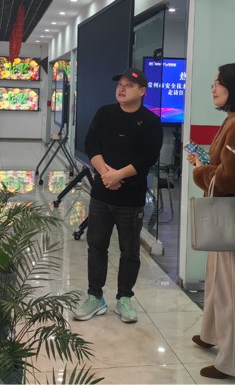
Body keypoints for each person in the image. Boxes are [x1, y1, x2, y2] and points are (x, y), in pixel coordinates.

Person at [187, 62, 235, 380]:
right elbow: (223, 166)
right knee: (218, 280)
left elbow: (229, 179)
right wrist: (206, 164)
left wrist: (199, 171)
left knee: (233, 290)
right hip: (224, 212)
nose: (214, 88)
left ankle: (233, 363)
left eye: (219, 83)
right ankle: (212, 334)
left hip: (231, 213)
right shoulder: (234, 119)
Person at [74, 67, 163, 324]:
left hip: (131, 198)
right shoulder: (105, 113)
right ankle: (95, 296)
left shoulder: (150, 122)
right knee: (96, 246)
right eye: (120, 84)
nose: (121, 88)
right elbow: (91, 144)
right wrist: (106, 174)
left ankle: (124, 298)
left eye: (129, 85)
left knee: (130, 251)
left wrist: (119, 175)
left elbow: (147, 158)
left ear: (142, 91)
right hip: (102, 195)